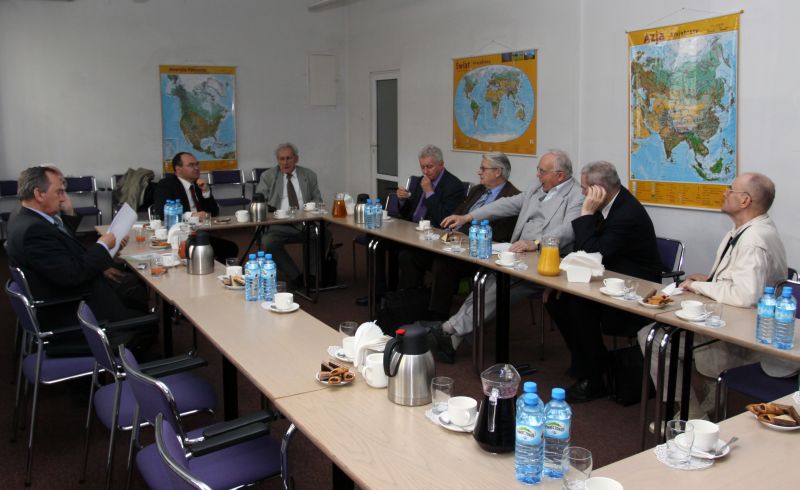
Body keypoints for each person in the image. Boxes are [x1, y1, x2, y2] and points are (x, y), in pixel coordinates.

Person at [638, 172, 797, 419]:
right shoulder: (746, 229)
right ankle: (705, 405)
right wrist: (709, 281)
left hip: (744, 337)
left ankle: (692, 417)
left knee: (656, 339)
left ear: (745, 200)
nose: (725, 193)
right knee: (660, 333)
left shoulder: (754, 239)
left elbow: (745, 296)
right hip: (732, 322)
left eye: (730, 190)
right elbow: (739, 280)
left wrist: (700, 287)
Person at [429, 149, 584, 363]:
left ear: (560, 175)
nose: (537, 174)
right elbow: (506, 204)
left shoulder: (577, 195)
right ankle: (453, 337)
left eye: (542, 171)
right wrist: (468, 217)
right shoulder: (536, 187)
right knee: (485, 282)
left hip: (545, 260)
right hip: (517, 254)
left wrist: (535, 243)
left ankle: (448, 328)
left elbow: (569, 230)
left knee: (498, 289)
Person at [546, 161, 661, 403]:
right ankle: (587, 362)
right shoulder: (609, 204)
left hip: (635, 289)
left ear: (599, 190)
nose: (582, 193)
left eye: (584, 188)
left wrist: (586, 213)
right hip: (609, 277)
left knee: (579, 306)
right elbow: (586, 250)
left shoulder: (626, 213)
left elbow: (592, 253)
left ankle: (594, 378)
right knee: (557, 300)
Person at [7, 165, 154, 353]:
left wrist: (108, 249)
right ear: (39, 194)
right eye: (59, 192)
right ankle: (136, 364)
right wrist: (102, 246)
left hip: (70, 295)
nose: (63, 198)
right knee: (147, 321)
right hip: (74, 311)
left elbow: (66, 256)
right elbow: (73, 274)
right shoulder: (34, 231)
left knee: (135, 301)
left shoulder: (26, 218)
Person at [398, 152, 520, 304]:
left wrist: (464, 234)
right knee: (409, 255)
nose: (479, 172)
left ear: (498, 172)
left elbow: (501, 234)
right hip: (453, 244)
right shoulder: (477, 190)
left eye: (483, 169)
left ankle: (437, 313)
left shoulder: (513, 197)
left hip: (479, 253)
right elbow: (456, 214)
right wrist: (451, 230)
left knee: (442, 265)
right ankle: (407, 303)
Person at [255, 143, 327, 289]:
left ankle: (312, 276)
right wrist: (271, 210)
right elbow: (259, 201)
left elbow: (318, 200)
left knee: (324, 235)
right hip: (279, 224)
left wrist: (309, 209)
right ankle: (295, 276)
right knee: (268, 242)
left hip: (305, 222)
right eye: (281, 159)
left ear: (296, 159)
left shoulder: (309, 175)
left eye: (289, 158)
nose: (285, 162)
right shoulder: (268, 176)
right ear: (277, 160)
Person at [153, 152, 239, 262]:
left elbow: (214, 212)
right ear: (178, 169)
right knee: (225, 249)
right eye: (191, 165)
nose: (197, 168)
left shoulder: (199, 185)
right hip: (180, 236)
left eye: (197, 164)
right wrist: (192, 215)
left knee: (230, 248)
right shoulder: (166, 185)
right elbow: (162, 213)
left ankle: (213, 269)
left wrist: (206, 192)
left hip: (200, 232)